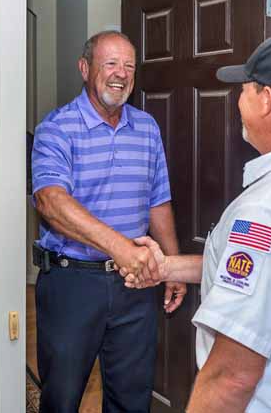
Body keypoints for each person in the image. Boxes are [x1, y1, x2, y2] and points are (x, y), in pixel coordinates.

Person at [122, 33, 271, 413]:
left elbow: (233, 376)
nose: (238, 102)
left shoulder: (268, 211)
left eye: (244, 90)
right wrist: (168, 267)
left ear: (267, 99)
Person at [30, 30, 186, 413]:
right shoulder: (57, 128)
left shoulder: (147, 127)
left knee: (132, 401)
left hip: (135, 286)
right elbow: (50, 202)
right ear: (85, 68)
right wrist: (121, 247)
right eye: (110, 63)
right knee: (62, 400)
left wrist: (174, 266)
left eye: (129, 66)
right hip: (72, 284)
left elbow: (158, 202)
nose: (121, 74)